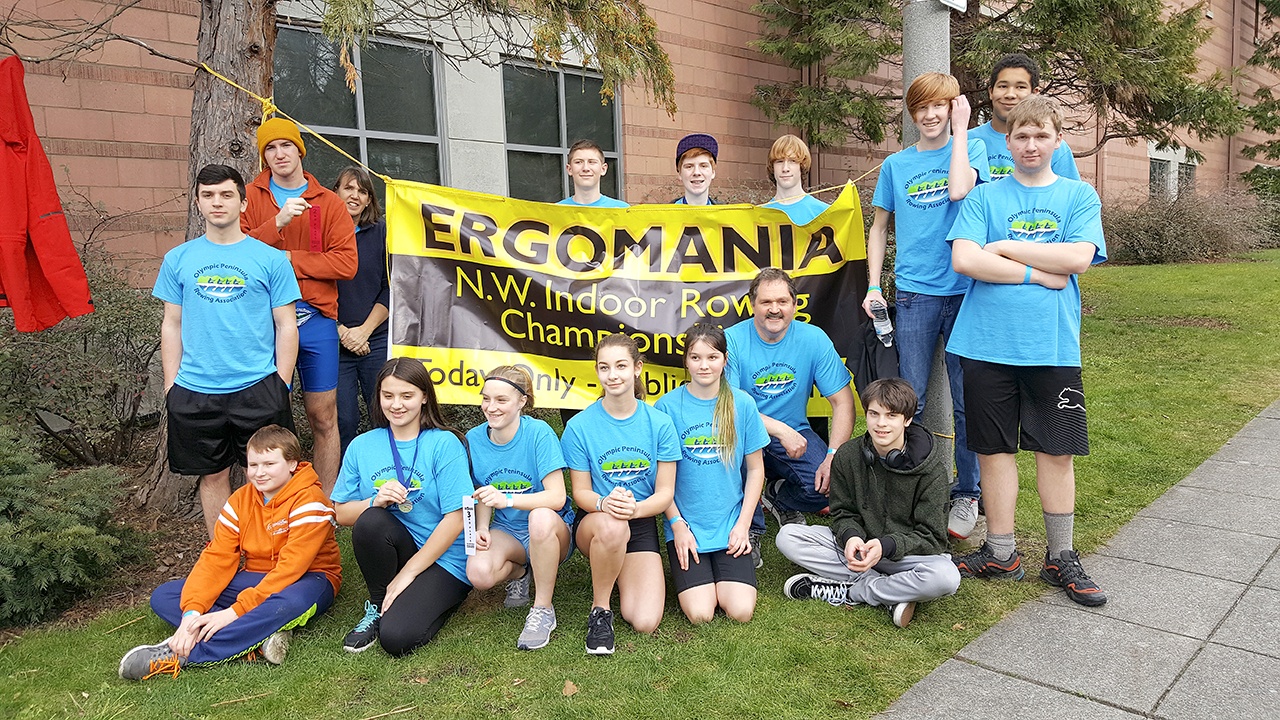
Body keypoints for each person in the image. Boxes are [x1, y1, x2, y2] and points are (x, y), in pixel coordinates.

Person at [947, 95, 1108, 607]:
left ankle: (1061, 556)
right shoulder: (984, 198)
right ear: (1007, 142)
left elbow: (1079, 257)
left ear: (1057, 141)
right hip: (984, 343)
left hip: (1052, 346)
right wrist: (1039, 271)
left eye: (1041, 136)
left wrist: (1004, 247)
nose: (1031, 145)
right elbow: (964, 260)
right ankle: (1000, 551)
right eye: (1021, 136)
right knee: (992, 449)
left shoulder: (1079, 196)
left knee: (1056, 450)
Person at [865, 72, 990, 541]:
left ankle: (967, 493)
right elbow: (879, 228)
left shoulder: (969, 148)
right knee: (906, 397)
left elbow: (960, 189)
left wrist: (961, 131)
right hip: (915, 293)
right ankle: (905, 482)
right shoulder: (896, 165)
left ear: (953, 108)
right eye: (922, 108)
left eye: (940, 106)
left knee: (966, 400)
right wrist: (875, 284)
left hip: (965, 291)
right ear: (911, 113)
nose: (930, 115)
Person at [119, 425, 341, 680]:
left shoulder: (311, 500)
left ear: (292, 463)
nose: (259, 473)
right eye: (253, 465)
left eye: (269, 464)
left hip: (310, 578)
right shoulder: (240, 500)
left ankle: (183, 654)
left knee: (289, 604)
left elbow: (290, 569)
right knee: (165, 595)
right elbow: (217, 558)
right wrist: (192, 613)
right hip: (256, 576)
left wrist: (232, 612)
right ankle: (257, 636)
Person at [153, 163, 299, 539]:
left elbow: (287, 325)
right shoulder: (178, 259)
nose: (217, 203)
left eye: (226, 195)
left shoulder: (269, 259)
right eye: (208, 195)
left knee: (270, 474)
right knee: (213, 475)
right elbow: (172, 324)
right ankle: (225, 555)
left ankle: (274, 552)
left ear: (243, 202)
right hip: (195, 390)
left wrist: (280, 383)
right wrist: (172, 386)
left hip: (257, 386)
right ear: (198, 202)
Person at [776, 379, 960, 627]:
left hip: (906, 555)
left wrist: (885, 547)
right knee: (787, 537)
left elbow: (933, 538)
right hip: (859, 549)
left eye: (891, 416)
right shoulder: (848, 455)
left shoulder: (932, 472)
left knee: (946, 577)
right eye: (874, 414)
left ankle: (854, 592)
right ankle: (894, 593)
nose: (881, 423)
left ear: (906, 420)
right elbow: (842, 513)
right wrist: (851, 537)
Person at [242, 117, 358, 495]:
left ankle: (323, 502)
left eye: (286, 146)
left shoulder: (329, 202)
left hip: (316, 321)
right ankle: (272, 502)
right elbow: (238, 255)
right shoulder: (250, 197)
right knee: (266, 416)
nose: (279, 154)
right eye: (270, 148)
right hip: (263, 324)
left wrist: (287, 258)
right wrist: (275, 222)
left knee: (323, 416)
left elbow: (345, 263)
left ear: (299, 150)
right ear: (264, 156)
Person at [331, 357, 474, 655]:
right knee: (371, 520)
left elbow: (456, 519)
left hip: (444, 557)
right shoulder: (362, 445)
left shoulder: (444, 443)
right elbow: (341, 513)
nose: (396, 404)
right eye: (388, 396)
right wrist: (375, 500)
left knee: (396, 639)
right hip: (400, 546)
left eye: (407, 396)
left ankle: (437, 597)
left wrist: (409, 573)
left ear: (424, 397)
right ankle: (378, 603)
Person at [725, 267, 856, 568]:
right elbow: (730, 406)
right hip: (743, 435)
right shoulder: (731, 340)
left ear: (795, 304)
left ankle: (777, 495)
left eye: (782, 301)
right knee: (735, 457)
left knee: (831, 485)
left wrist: (833, 455)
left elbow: (843, 401)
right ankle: (752, 530)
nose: (774, 309)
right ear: (752, 304)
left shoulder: (814, 339)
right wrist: (781, 430)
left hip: (795, 435)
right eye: (766, 302)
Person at [562, 333, 679, 655]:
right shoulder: (580, 426)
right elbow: (580, 493)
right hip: (596, 522)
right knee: (612, 525)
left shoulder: (660, 424)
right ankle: (600, 610)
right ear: (597, 372)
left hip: (638, 521)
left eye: (621, 366)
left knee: (645, 620)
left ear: (637, 368)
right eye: (604, 367)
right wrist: (604, 504)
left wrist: (636, 510)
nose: (612, 375)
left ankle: (618, 574)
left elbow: (665, 493)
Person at [655, 323, 768, 624]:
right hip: (687, 526)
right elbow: (661, 480)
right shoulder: (666, 407)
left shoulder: (742, 404)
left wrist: (743, 526)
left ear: (725, 359)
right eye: (695, 357)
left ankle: (727, 564)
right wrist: (678, 525)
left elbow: (756, 470)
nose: (704, 365)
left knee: (741, 611)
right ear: (686, 361)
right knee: (700, 613)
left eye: (712, 357)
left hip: (731, 523)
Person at [465, 366, 575, 651]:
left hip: (550, 530)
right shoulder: (473, 439)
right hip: (508, 531)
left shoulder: (539, 434)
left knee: (539, 517)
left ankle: (542, 609)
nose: (491, 407)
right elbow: (482, 494)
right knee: (479, 573)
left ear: (522, 401)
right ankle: (520, 574)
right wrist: (481, 528)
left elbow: (557, 497)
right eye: (486, 399)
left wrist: (508, 499)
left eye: (501, 400)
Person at [333, 166, 390, 457]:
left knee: (384, 414)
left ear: (369, 200)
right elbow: (310, 292)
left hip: (375, 339)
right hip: (332, 340)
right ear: (336, 193)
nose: (355, 195)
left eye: (362, 191)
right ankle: (347, 490)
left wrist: (364, 331)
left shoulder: (382, 233)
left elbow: (391, 287)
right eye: (348, 188)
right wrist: (342, 332)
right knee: (343, 420)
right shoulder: (319, 235)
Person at [970, 53, 1080, 182]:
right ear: (990, 92)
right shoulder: (967, 141)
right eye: (1003, 86)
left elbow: (1067, 195)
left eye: (1020, 87)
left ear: (1034, 93)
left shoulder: (1054, 146)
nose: (1010, 94)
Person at [762, 134, 829, 225]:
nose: (785, 168)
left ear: (802, 166)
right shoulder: (760, 216)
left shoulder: (824, 213)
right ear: (772, 167)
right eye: (779, 161)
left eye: (792, 161)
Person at [558, 139, 628, 208]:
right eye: (578, 162)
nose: (585, 168)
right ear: (569, 169)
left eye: (592, 162)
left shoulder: (622, 210)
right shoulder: (556, 212)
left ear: (603, 169)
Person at [672, 133, 718, 205]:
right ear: (680, 173)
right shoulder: (665, 215)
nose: (696, 172)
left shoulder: (726, 215)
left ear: (713, 172)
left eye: (703, 166)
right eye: (689, 166)